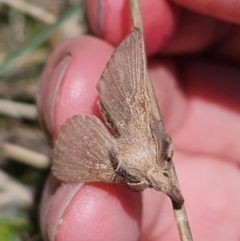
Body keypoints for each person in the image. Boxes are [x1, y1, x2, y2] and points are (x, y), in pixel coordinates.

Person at [37, 1, 240, 240]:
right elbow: (158, 138)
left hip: (125, 130)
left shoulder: (153, 164)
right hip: (127, 125)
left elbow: (158, 144)